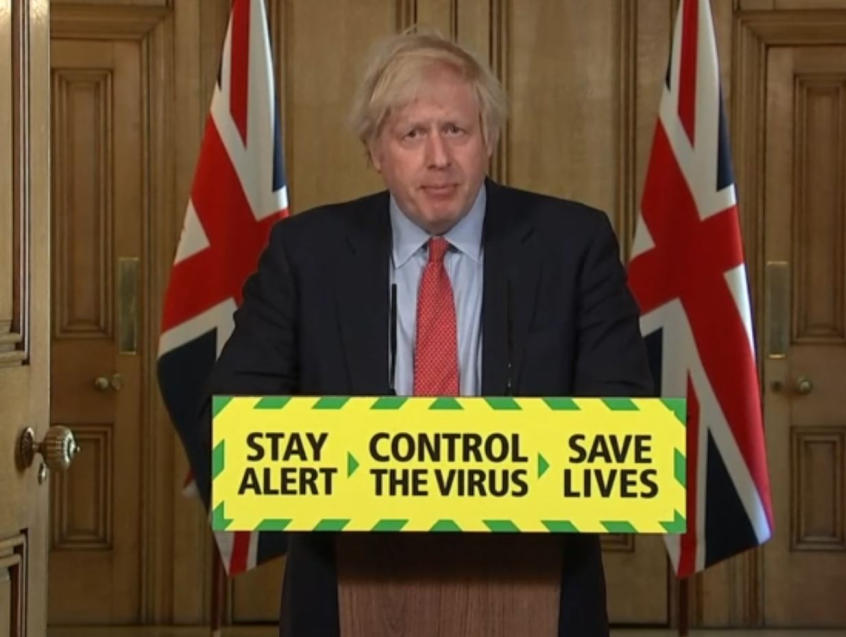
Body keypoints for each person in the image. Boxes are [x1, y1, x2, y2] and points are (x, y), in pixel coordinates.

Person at [189, 30, 655, 636]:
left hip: (538, 597)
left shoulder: (574, 245)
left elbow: (624, 426)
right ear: (376, 150)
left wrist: (464, 465)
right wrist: (395, 464)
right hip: (343, 599)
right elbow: (225, 426)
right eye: (412, 134)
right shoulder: (307, 255)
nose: (439, 158)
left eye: (456, 130)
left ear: (489, 138)